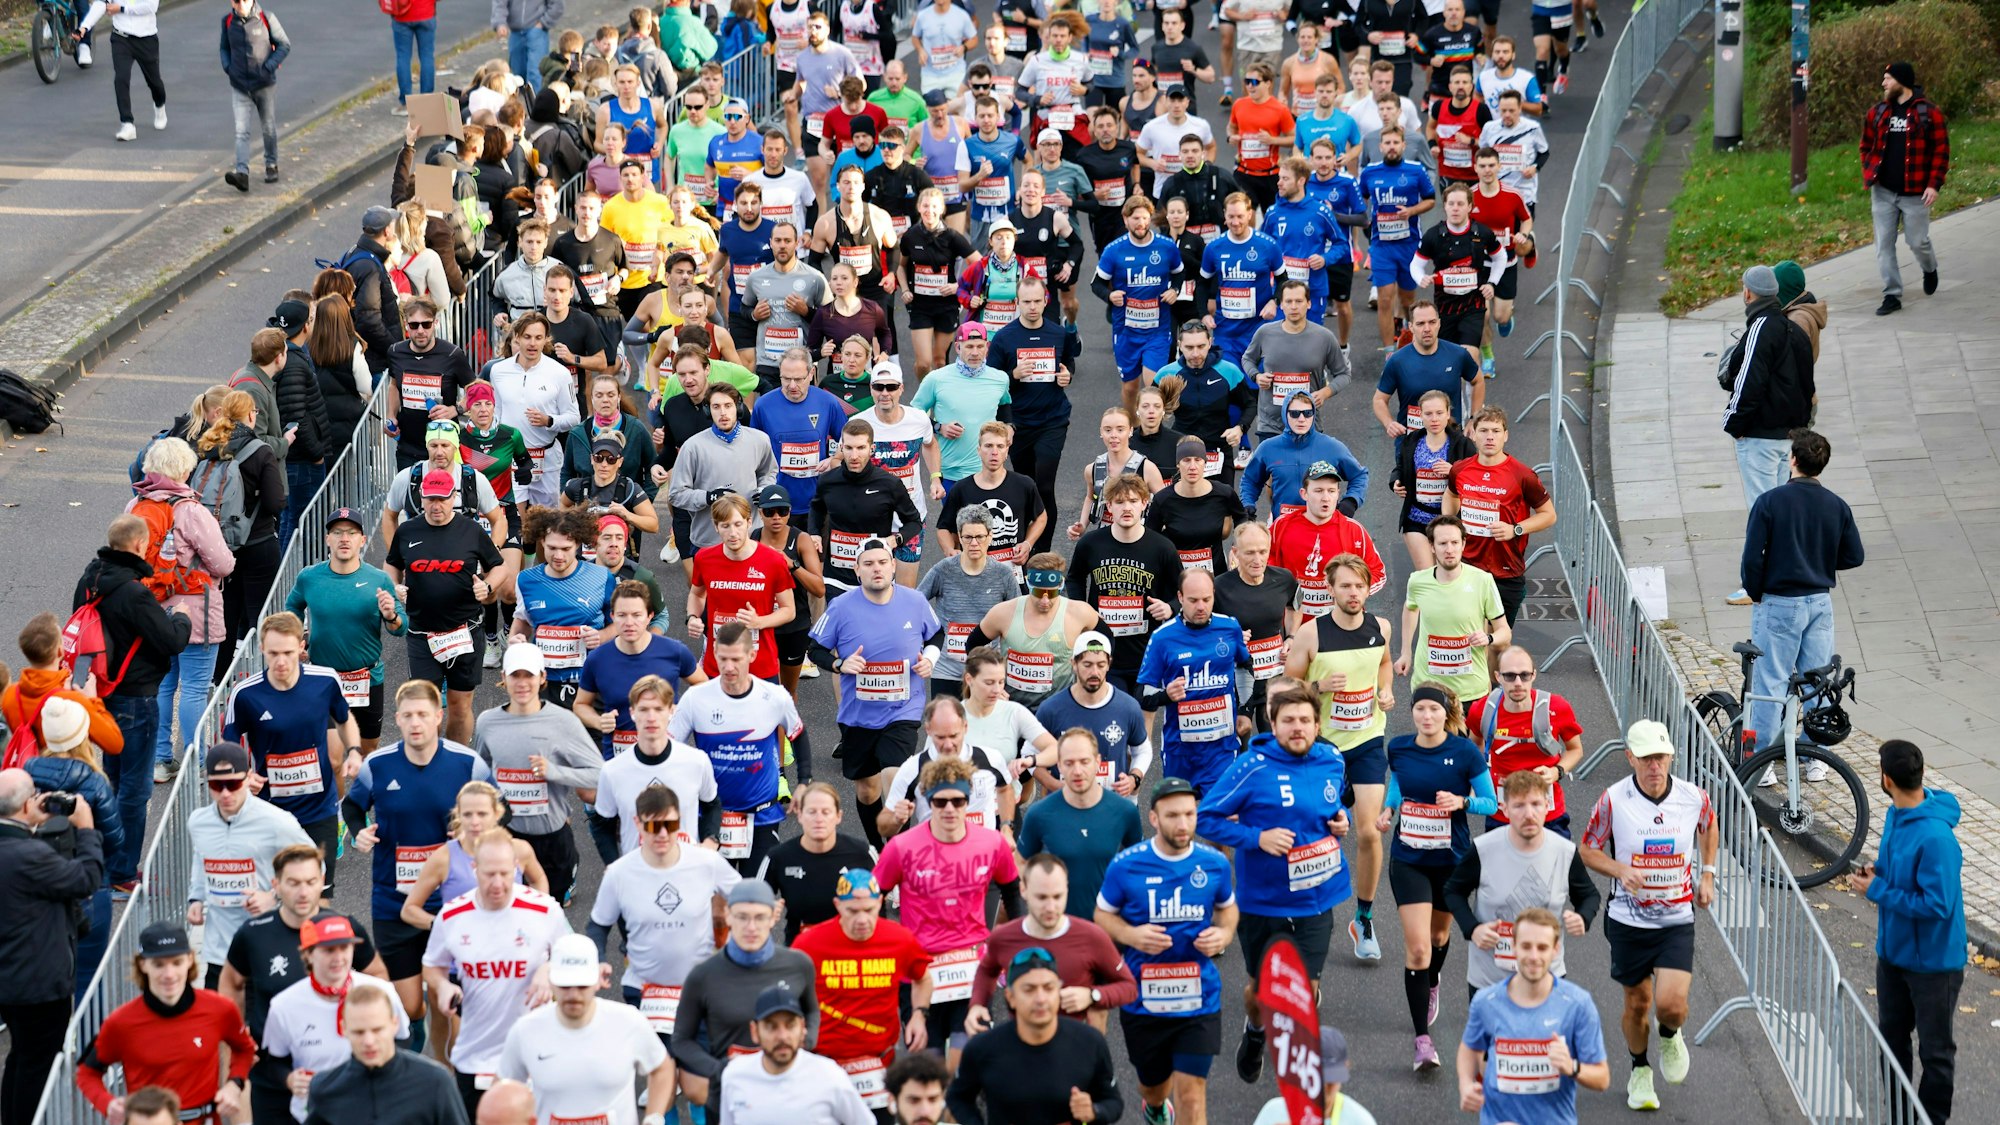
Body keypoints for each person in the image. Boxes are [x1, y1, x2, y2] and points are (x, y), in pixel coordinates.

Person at [1199, 687, 1352, 1085]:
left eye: (1305, 720)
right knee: (1259, 996)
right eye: (1288, 721)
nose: (1297, 728)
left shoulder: (1331, 760)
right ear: (1274, 724)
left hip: (1317, 898)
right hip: (1264, 903)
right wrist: (1256, 839)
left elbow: (1333, 804)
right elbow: (1204, 818)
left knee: (1306, 991)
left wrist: (1342, 819)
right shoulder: (1252, 766)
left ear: (1318, 725)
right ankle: (1255, 1033)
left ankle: (1297, 1078)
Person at [343, 680, 493, 1058]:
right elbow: (351, 807)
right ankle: (422, 1059)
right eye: (407, 716)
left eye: (423, 715)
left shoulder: (467, 763)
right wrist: (359, 834)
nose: (415, 723)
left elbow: (496, 815)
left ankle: (442, 1071)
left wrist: (476, 837)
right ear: (396, 719)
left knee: (452, 1002)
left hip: (454, 903)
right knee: (409, 1007)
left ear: (439, 717)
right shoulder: (377, 765)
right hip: (394, 902)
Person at [1578, 719, 1720, 1112]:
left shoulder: (1693, 797)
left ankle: (1670, 1034)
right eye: (1645, 759)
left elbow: (1709, 827)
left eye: (1659, 757)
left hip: (1676, 918)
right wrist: (1620, 870)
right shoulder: (1613, 799)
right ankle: (1640, 1069)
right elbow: (1588, 849)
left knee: (1671, 1005)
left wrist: (1707, 874)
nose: (1654, 766)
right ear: (1630, 758)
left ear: (1671, 756)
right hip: (1628, 920)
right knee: (1637, 1003)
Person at [1095, 777, 1237, 1125]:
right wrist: (1131, 934)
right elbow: (1102, 916)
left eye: (1190, 814)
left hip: (1199, 996)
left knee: (1191, 1092)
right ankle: (1155, 1106)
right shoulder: (1126, 865)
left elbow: (1228, 908)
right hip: (1144, 998)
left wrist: (1224, 934)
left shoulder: (1213, 864)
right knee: (1153, 1086)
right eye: (1173, 815)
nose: (1183, 824)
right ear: (1154, 818)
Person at [222, 842, 387, 1123]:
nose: (303, 892)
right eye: (293, 883)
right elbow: (231, 982)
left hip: (336, 1067)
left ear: (322, 882)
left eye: (311, 882)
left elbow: (378, 976)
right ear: (275, 884)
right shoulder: (253, 934)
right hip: (273, 1070)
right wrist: (238, 1031)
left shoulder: (342, 929)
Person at [875, 757, 1022, 1067]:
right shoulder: (901, 847)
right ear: (928, 801)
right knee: (927, 1067)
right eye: (941, 802)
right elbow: (874, 898)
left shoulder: (991, 842)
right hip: (918, 969)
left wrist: (1010, 943)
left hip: (971, 966)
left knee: (966, 1059)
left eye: (958, 801)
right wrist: (890, 943)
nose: (950, 809)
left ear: (968, 800)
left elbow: (1011, 890)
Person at [75, 513, 193, 897]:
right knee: (135, 789)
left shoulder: (90, 579)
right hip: (136, 699)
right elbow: (170, 642)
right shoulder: (134, 592)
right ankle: (123, 871)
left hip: (103, 692)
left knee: (111, 779)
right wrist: (181, 619)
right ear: (141, 545)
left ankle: (105, 862)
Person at [1379, 687, 1496, 1071]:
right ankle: (1422, 1042)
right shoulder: (1398, 747)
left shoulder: (1465, 753)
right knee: (1416, 948)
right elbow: (1398, 784)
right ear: (1412, 713)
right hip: (1408, 858)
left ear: (1444, 713)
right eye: (1419, 709)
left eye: (1433, 709)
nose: (1426, 716)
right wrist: (1388, 809)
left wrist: (1462, 802)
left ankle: (1431, 982)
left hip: (1452, 860)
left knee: (1438, 938)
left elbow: (1491, 803)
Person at [1851, 740, 1965, 1124]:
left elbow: (1938, 905)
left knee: (1935, 1054)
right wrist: (1878, 872)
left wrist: (1878, 891)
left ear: (1886, 779)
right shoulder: (1896, 814)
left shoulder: (1937, 839)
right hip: (1894, 956)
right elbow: (1897, 866)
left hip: (1934, 966)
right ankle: (1901, 1117)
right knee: (1892, 1043)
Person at [422, 827, 571, 1119]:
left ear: (517, 867)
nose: (498, 883)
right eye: (489, 874)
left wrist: (549, 969)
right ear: (474, 868)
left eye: (505, 873)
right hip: (475, 1055)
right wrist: (442, 986)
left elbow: (575, 956)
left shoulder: (544, 910)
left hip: (536, 1053)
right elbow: (432, 965)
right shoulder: (452, 916)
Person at [809, 537, 940, 845]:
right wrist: (841, 664)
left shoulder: (914, 601)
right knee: (867, 790)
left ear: (894, 566)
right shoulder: (840, 607)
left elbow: (936, 635)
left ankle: (900, 853)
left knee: (894, 778)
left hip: (903, 709)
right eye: (868, 564)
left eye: (883, 562)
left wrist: (930, 660)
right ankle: (876, 848)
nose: (876, 569)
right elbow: (815, 648)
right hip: (858, 714)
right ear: (857, 571)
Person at [0, 768, 105, 1125]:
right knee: (37, 1068)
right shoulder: (27, 856)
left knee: (21, 1059)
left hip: (11, 982)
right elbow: (86, 878)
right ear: (28, 803)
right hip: (39, 984)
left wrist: (33, 823)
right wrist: (87, 826)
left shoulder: (15, 847)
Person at [222, 613, 357, 887]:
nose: (281, 661)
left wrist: (354, 750)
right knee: (278, 892)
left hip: (321, 809)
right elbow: (228, 745)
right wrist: (242, 775)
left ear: (301, 646)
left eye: (287, 652)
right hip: (271, 811)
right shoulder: (246, 694)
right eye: (273, 653)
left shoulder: (325, 680)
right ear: (262, 649)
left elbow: (344, 719)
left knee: (319, 894)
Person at [1445, 769, 1600, 1002]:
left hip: (1547, 979)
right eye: (1519, 806)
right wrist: (1473, 928)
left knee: (1541, 1040)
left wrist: (1583, 917)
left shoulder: (1564, 851)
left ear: (1548, 805)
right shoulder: (1483, 849)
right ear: (1505, 809)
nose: (1529, 814)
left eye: (1536, 804)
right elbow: (1453, 891)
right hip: (1490, 980)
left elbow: (1588, 895)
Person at [78, 922, 256, 1124]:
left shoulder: (220, 1009)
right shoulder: (121, 1022)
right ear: (143, 965)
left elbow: (245, 1049)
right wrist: (108, 1104)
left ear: (190, 960)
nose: (169, 975)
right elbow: (86, 1072)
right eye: (159, 964)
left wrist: (234, 1084)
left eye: (176, 962)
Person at [671, 882, 822, 1119]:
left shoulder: (798, 964)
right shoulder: (703, 975)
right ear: (728, 916)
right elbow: (681, 1040)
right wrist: (721, 1070)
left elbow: (812, 1011)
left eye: (760, 918)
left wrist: (808, 1041)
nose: (751, 927)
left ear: (773, 918)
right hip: (729, 1100)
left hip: (788, 1094)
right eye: (742, 917)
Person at [792, 867, 935, 1114]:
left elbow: (923, 978)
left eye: (869, 910)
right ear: (837, 905)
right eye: (853, 911)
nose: (862, 920)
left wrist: (919, 1015)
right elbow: (788, 992)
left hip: (879, 1062)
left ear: (880, 902)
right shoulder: (809, 943)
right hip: (824, 1062)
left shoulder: (899, 939)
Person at [672, 622, 808, 872]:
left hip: (762, 815)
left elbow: (798, 734)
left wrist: (803, 782)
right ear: (714, 654)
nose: (729, 667)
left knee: (755, 899)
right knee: (715, 901)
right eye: (722, 659)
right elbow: (669, 749)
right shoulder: (696, 698)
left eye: (736, 659)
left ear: (751, 655)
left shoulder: (774, 696)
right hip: (710, 815)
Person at [499, 928, 673, 1123]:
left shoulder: (628, 1022)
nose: (574, 995)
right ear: (551, 981)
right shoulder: (525, 1031)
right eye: (565, 986)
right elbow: (503, 1088)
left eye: (582, 985)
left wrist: (654, 1117)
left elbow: (662, 1069)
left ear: (598, 981)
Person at [1456, 907, 1611, 1123]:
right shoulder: (1486, 1001)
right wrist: (1465, 1085)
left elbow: (1602, 1078)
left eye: (1542, 948)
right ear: (1514, 947)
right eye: (1526, 947)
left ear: (1555, 950)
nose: (1534, 956)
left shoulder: (1577, 1005)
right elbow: (1470, 1047)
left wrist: (1571, 1067)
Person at [386, 469, 508, 742]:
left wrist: (487, 586)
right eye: (430, 499)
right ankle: (429, 764)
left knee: (459, 705)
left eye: (442, 499)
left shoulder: (471, 530)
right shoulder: (407, 530)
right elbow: (391, 564)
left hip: (464, 631)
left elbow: (499, 567)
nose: (436, 505)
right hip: (421, 634)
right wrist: (395, 587)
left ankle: (457, 763)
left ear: (453, 497)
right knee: (425, 708)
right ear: (421, 496)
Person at [1722, 273, 1821, 607]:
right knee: (1780, 508)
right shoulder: (1793, 328)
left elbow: (1748, 381)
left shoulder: (1761, 328)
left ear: (1748, 293)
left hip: (1761, 437)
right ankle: (1786, 575)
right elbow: (1808, 385)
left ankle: (1756, 585)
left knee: (1763, 511)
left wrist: (1733, 422)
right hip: (1787, 436)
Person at [185, 741, 314, 990]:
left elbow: (315, 868)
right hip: (219, 951)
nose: (225, 793)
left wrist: (273, 897)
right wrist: (196, 898)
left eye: (233, 784)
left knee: (263, 1028)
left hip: (267, 946)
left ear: (247, 779)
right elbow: (201, 858)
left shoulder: (277, 822)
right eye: (216, 785)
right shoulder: (198, 822)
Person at [968, 850, 1137, 1038]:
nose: (1050, 907)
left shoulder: (1091, 937)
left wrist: (1092, 996)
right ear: (1023, 890)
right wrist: (977, 1005)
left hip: (1073, 1053)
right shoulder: (1004, 937)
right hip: (1022, 1052)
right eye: (1041, 898)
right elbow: (986, 971)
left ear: (1067, 890)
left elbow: (1129, 987)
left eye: (1057, 897)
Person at [948, 946, 1124, 1125]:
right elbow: (957, 1098)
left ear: (1059, 991)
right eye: (1029, 989)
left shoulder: (1089, 1042)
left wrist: (1094, 1111)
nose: (1040, 999)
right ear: (1010, 997)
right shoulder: (983, 1048)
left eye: (1048, 988)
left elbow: (1113, 1102)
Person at [260, 914, 409, 1122]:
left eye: (344, 947)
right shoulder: (284, 1005)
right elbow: (274, 1062)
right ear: (308, 954)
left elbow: (403, 1041)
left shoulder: (380, 991)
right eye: (329, 950)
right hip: (316, 1115)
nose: (339, 957)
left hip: (377, 1110)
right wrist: (289, 1079)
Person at [284, 508, 405, 756]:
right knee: (332, 754)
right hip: (324, 678)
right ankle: (338, 796)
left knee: (367, 749)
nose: (344, 539)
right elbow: (292, 607)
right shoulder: (309, 577)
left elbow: (401, 627)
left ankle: (360, 794)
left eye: (352, 533)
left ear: (362, 540)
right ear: (328, 539)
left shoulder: (379, 579)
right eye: (337, 532)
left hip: (367, 678)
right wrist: (297, 639)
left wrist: (391, 615)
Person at [1443, 406, 1554, 627]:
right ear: (1473, 434)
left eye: (1495, 430)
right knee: (1474, 636)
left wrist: (1516, 529)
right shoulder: (1460, 470)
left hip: (1506, 571)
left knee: (1498, 643)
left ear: (1506, 435)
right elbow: (1451, 493)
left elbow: (1548, 515)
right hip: (1468, 567)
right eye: (1483, 430)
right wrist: (1449, 523)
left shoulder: (1522, 474)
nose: (1490, 437)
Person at [590, 674, 720, 859]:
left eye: (658, 709)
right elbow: (602, 826)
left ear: (671, 711)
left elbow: (712, 805)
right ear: (633, 712)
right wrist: (614, 867)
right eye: (644, 709)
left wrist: (710, 841)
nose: (651, 718)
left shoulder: (696, 761)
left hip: (687, 874)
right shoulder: (612, 771)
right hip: (638, 879)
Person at [303, 986, 468, 1125]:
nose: (368, 1041)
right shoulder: (324, 1089)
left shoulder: (435, 1082)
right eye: (359, 1032)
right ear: (344, 1029)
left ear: (394, 1024)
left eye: (377, 1030)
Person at [1467, 645, 1583, 831]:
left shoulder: (1556, 707)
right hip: (1502, 813)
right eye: (1510, 676)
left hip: (1548, 813)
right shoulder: (1482, 710)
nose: (1518, 683)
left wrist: (1557, 772)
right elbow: (1474, 748)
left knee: (1557, 860)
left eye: (1525, 675)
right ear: (1498, 677)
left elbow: (1575, 749)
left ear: (1534, 675)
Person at [1863, 61, 1948, 316]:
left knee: (1917, 241)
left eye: (1888, 78)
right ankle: (1892, 295)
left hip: (1916, 193)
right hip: (1883, 192)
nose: (1883, 83)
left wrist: (1934, 185)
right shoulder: (1876, 112)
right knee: (1883, 245)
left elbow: (1941, 152)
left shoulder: (1929, 113)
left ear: (1902, 81)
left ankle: (1929, 268)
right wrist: (1870, 172)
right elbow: (1865, 145)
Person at [918, 509, 1022, 698]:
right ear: (959, 536)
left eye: (980, 537)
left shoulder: (1004, 575)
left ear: (990, 536)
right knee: (946, 726)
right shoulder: (943, 570)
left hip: (987, 670)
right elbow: (915, 603)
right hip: (947, 670)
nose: (974, 543)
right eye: (967, 537)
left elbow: (1017, 620)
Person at [1094, 197, 1185, 411]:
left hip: (1158, 330)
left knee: (1152, 383)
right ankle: (1132, 426)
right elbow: (1096, 283)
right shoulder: (1114, 250)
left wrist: (1175, 290)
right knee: (1130, 387)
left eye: (1145, 218)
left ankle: (1152, 432)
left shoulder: (1166, 247)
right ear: (1125, 219)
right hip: (1126, 330)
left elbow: (1179, 274)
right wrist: (1109, 296)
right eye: (1136, 218)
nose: (1141, 223)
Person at [976, 554, 1102, 709]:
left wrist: (1088, 670)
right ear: (1029, 584)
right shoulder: (1004, 612)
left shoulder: (1079, 612)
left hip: (1059, 709)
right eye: (1037, 593)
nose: (1045, 601)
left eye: (1051, 594)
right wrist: (988, 681)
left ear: (1060, 586)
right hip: (1012, 708)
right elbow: (973, 645)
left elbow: (1106, 642)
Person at [1034, 633, 1153, 797]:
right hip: (1065, 806)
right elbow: (1030, 755)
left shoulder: (1128, 707)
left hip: (1111, 807)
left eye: (1101, 665)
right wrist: (1054, 786)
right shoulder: (1051, 709)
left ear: (1109, 664)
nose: (1094, 672)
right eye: (1087, 665)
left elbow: (1142, 750)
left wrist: (1134, 779)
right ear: (1074, 664)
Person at [1269, 460, 1387, 618]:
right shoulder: (1281, 526)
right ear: (1304, 494)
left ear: (1338, 494)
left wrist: (1355, 592)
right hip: (1292, 625)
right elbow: (1265, 565)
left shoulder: (1354, 530)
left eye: (1331, 491)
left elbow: (1378, 572)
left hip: (1340, 625)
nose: (1326, 498)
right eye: (1318, 491)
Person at [764, 783, 877, 942]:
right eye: (811, 812)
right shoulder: (778, 857)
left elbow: (881, 903)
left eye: (826, 812)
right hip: (801, 950)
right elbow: (753, 903)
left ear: (838, 816)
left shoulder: (862, 853)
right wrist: (766, 913)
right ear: (800, 815)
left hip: (848, 949)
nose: (819, 819)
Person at [1240, 387, 1367, 523]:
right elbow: (1250, 480)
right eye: (1295, 413)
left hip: (1323, 527)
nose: (1302, 419)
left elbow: (1359, 475)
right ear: (1285, 414)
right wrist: (1247, 505)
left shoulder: (1332, 447)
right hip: (1284, 528)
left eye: (1307, 413)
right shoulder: (1267, 448)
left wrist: (1351, 501)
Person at [1359, 125, 1435, 349]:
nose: (1391, 147)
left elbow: (1430, 200)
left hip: (1409, 245)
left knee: (1408, 300)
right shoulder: (1370, 172)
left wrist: (1411, 211)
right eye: (1387, 143)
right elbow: (1363, 198)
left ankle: (1411, 342)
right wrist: (1368, 218)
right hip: (1381, 246)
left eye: (1395, 143)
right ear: (1381, 147)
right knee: (1384, 299)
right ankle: (1389, 353)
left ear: (1404, 145)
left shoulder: (1416, 170)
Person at [1391, 389, 1476, 566]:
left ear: (1448, 414)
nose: (1434, 419)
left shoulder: (1463, 444)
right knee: (1426, 575)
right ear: (1420, 415)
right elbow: (1400, 467)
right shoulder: (1411, 440)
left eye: (1439, 413)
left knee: (1445, 573)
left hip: (1448, 521)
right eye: (1428, 414)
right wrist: (1396, 482)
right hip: (1416, 518)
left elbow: (1476, 479)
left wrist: (1454, 471)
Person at [1373, 300, 1483, 436]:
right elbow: (1379, 399)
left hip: (1451, 441)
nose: (1427, 329)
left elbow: (1478, 381)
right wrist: (1389, 423)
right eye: (1420, 324)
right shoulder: (1398, 361)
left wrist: (1473, 419)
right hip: (1411, 442)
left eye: (1432, 322)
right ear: (1411, 327)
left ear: (1439, 324)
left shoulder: (1457, 354)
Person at [1146, 435, 1247, 575]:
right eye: (1186, 460)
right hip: (1177, 576)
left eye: (1198, 460)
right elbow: (1150, 537)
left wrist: (1237, 547)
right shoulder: (1163, 499)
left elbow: (1242, 518)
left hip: (1216, 575)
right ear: (1178, 464)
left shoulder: (1224, 493)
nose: (1192, 467)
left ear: (1205, 463)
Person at [219, 0, 289, 192]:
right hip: (239, 85)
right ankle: (242, 173)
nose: (239, 4)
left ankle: (271, 165)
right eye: (236, 1)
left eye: (243, 0)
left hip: (264, 85)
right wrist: (228, 67)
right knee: (241, 131)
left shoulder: (266, 19)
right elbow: (224, 48)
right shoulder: (227, 22)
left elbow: (284, 45)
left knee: (268, 127)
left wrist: (268, 67)